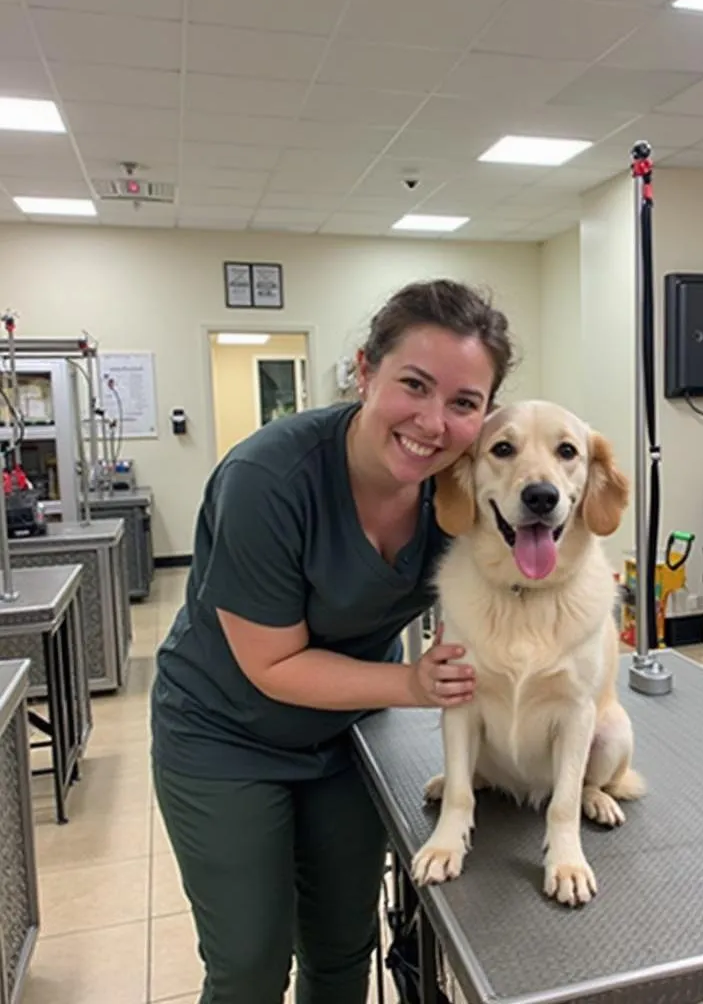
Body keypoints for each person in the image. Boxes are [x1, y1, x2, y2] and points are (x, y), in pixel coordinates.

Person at [149, 278, 516, 1004]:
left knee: (344, 951)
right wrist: (413, 685)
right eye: (414, 384)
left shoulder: (462, 488)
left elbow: (511, 578)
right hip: (224, 735)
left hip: (347, 735)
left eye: (464, 403)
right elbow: (271, 663)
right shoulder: (269, 478)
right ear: (364, 371)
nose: (433, 422)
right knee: (250, 966)